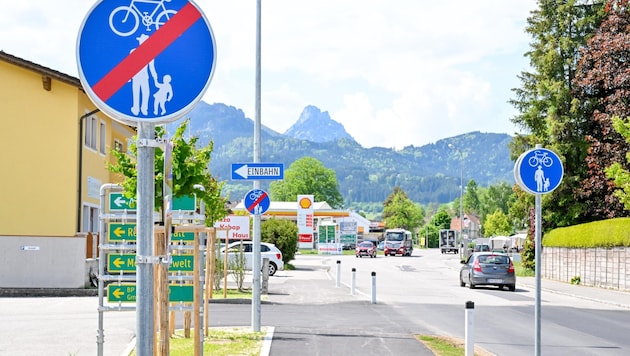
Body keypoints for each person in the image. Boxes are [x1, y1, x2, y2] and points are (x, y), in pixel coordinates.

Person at [130, 34, 158, 116]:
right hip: (136, 76)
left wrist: (155, 79)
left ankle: (144, 109)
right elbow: (129, 65)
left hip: (144, 76)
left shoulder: (149, 54)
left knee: (146, 92)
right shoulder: (133, 51)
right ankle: (136, 108)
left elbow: (152, 68)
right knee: (136, 92)